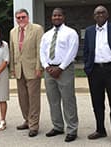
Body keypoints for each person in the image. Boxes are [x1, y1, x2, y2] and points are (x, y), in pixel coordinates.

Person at [83, 5, 111, 145]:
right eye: (97, 13)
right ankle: (100, 130)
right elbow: (86, 50)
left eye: (102, 12)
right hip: (95, 71)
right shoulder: (90, 31)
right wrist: (87, 67)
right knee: (97, 103)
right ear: (94, 16)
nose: (100, 15)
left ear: (107, 15)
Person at [40, 8, 79, 142]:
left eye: (59, 15)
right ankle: (57, 126)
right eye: (54, 15)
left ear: (63, 17)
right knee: (53, 100)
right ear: (51, 18)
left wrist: (60, 68)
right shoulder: (47, 35)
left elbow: (72, 51)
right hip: (49, 70)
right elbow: (42, 52)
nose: (56, 17)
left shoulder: (71, 33)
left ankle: (72, 129)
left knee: (68, 100)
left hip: (65, 70)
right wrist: (46, 66)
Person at [9, 8, 43, 137]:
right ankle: (27, 120)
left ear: (28, 17)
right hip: (19, 70)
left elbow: (40, 49)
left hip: (33, 69)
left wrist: (39, 67)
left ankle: (34, 125)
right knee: (22, 98)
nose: (21, 19)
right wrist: (12, 68)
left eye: (23, 17)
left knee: (33, 98)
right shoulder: (13, 32)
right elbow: (12, 51)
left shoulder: (37, 29)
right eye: (18, 18)